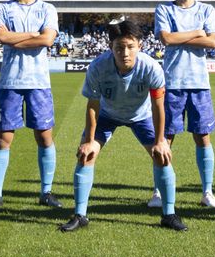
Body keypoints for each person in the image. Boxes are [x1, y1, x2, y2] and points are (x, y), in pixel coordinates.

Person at [59, 18, 185, 232]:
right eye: (119, 47)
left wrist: (160, 141)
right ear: (111, 47)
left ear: (140, 46)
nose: (125, 53)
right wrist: (89, 141)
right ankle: (80, 215)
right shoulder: (98, 67)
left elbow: (158, 106)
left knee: (162, 156)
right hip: (108, 115)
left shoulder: (151, 67)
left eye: (130, 47)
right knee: (86, 155)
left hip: (141, 116)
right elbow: (92, 106)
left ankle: (169, 214)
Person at [0, 0, 62, 211]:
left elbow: (47, 40)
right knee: (3, 138)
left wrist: (14, 38)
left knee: (45, 136)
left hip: (39, 82)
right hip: (10, 82)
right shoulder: (2, 8)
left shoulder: (47, 8)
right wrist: (32, 35)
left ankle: (46, 191)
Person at [152, 0, 215, 210]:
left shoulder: (207, 9)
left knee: (203, 137)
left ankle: (207, 192)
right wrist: (196, 33)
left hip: (199, 83)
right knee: (165, 138)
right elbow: (166, 38)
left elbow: (213, 42)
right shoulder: (164, 8)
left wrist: (181, 36)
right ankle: (158, 192)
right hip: (172, 82)